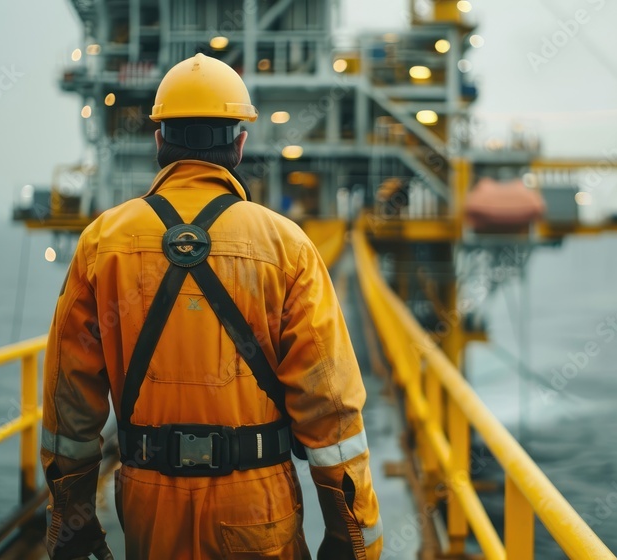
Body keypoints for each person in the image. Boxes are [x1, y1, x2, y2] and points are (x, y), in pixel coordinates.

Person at [40, 53, 382, 559]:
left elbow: (69, 402)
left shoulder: (101, 243)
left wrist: (71, 513)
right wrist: (351, 535)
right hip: (258, 506)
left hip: (147, 504)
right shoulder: (287, 247)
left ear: (159, 140)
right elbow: (330, 408)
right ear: (239, 144)